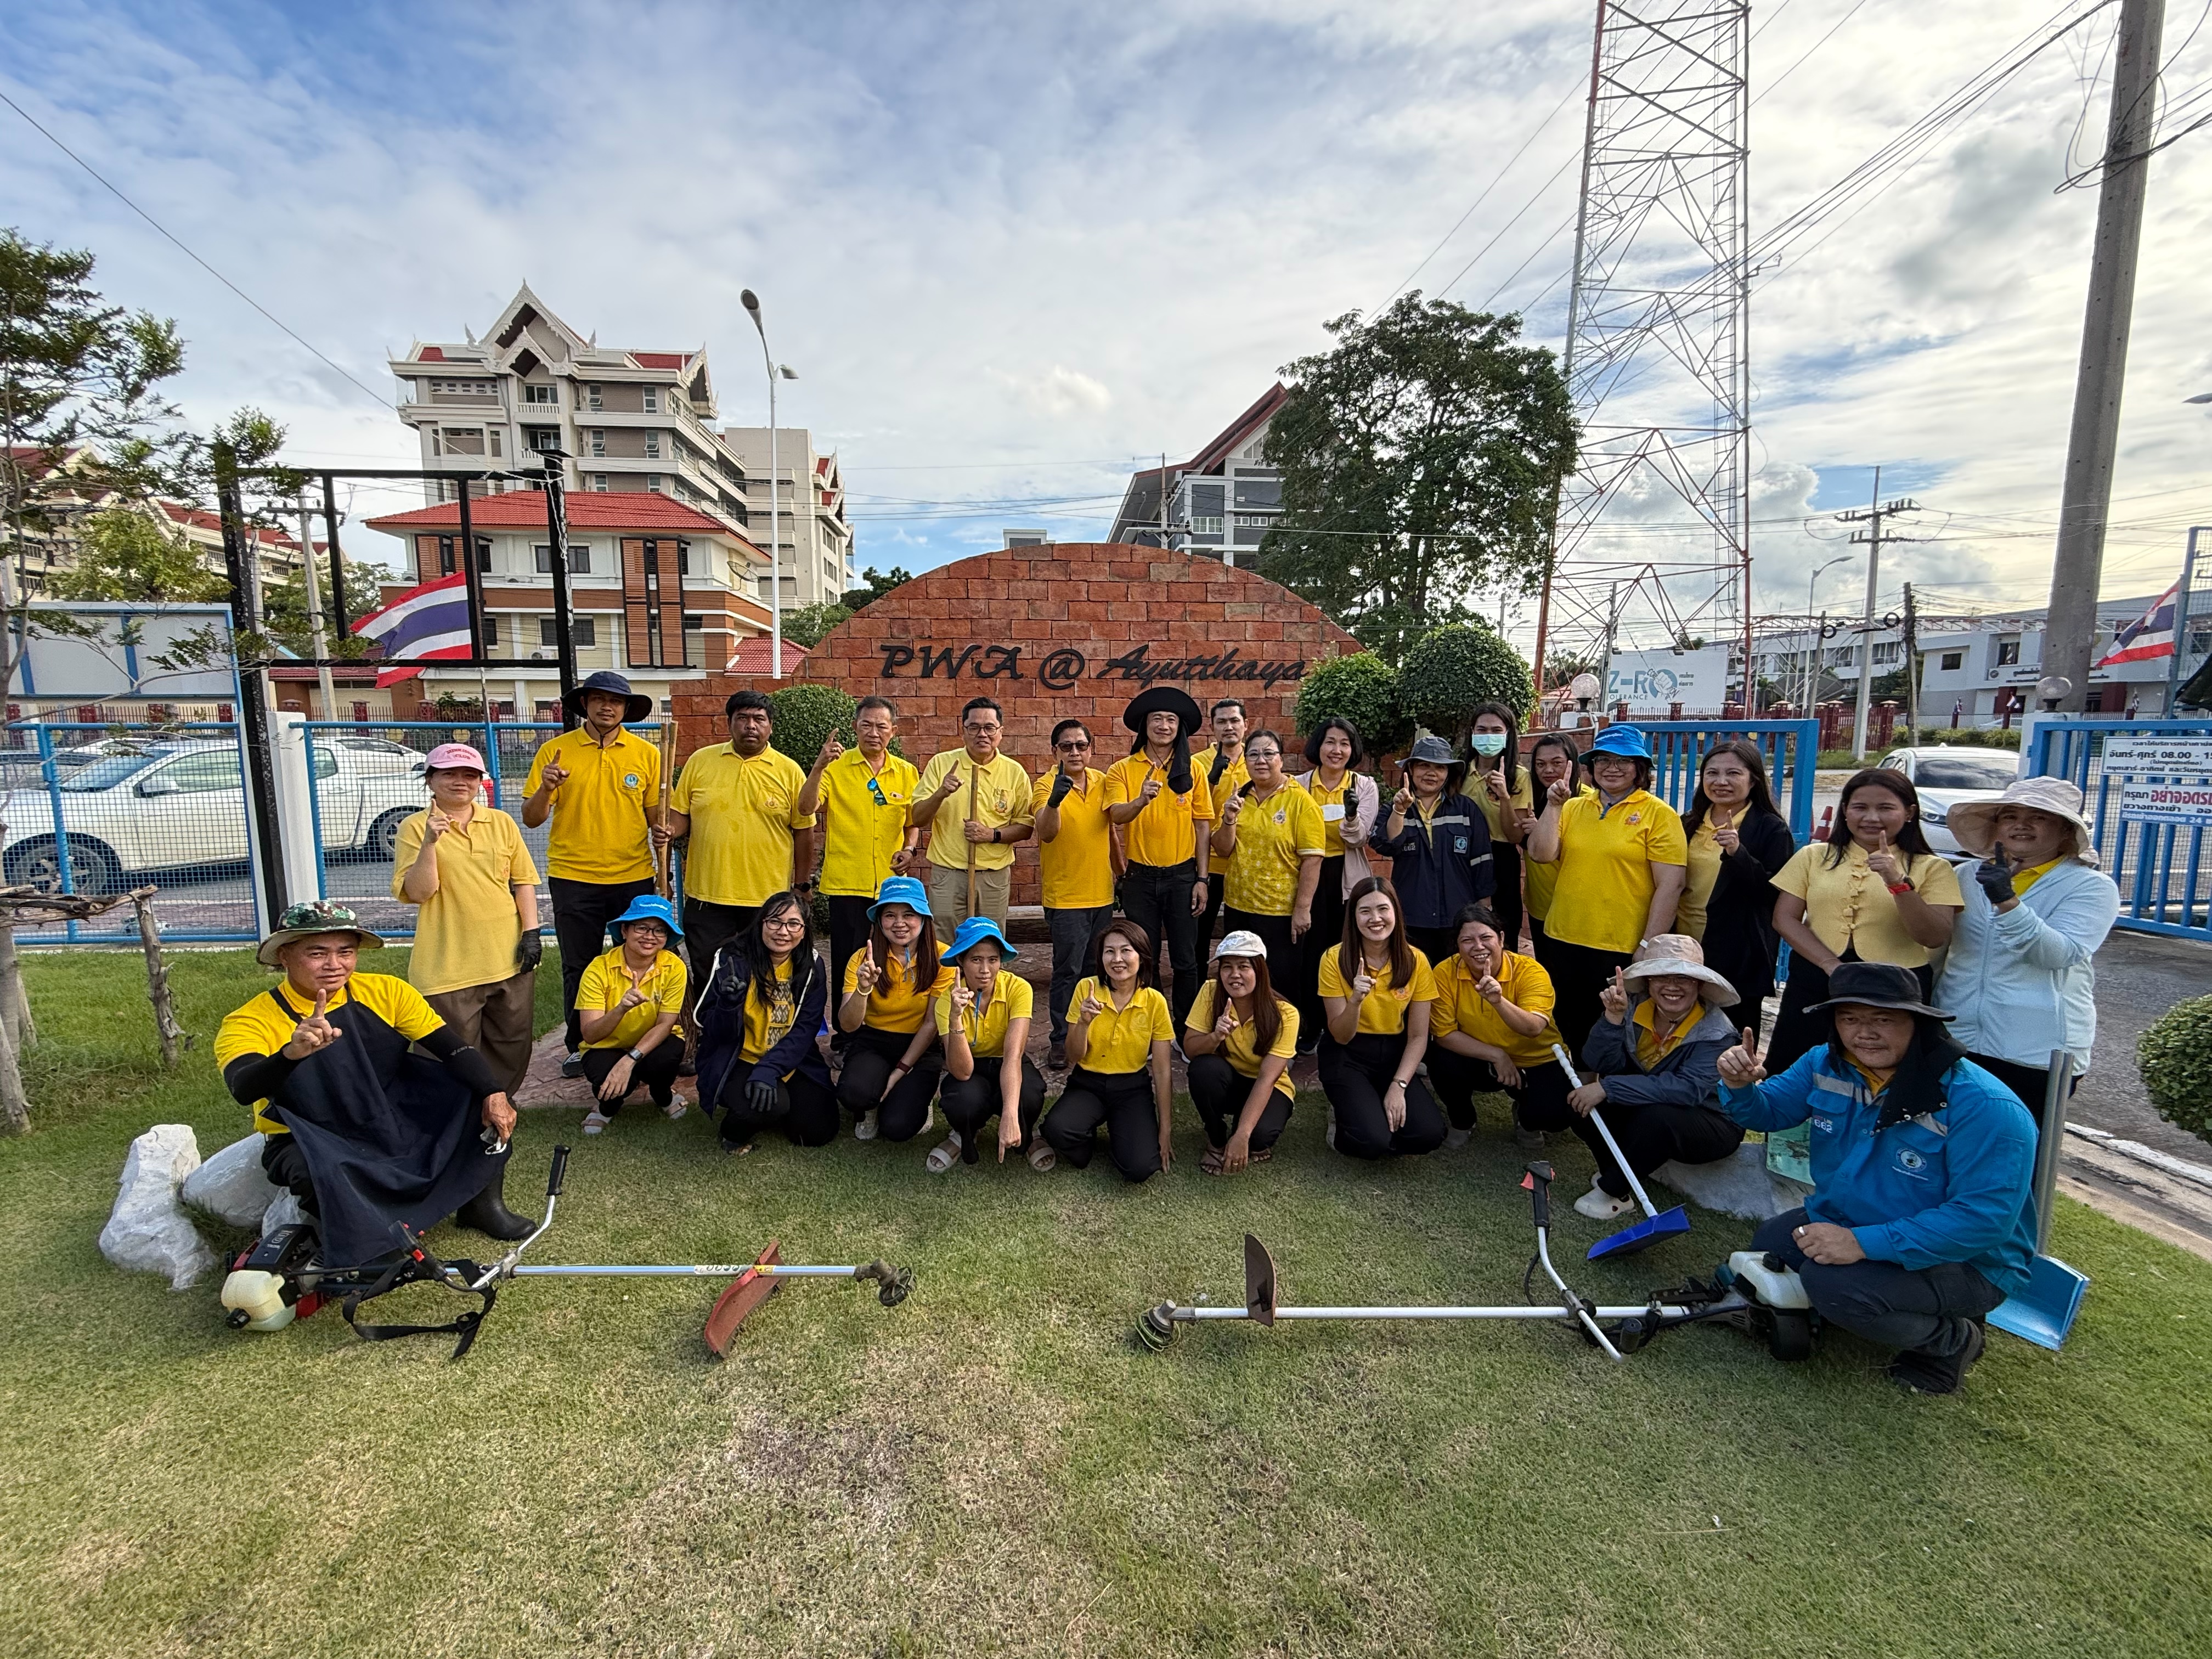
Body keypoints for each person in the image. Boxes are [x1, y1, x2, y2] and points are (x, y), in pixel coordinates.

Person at [1716, 962, 2038, 1395]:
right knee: (1770, 1245)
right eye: (1850, 1019)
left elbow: (1983, 1221)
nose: (1863, 1033)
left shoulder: (1987, 1107)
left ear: (1919, 1024)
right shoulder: (1824, 1063)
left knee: (1834, 1286)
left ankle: (1954, 1341)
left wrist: (1860, 1245)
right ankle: (1872, 1302)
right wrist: (1738, 1086)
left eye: (1882, 1019)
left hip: (1969, 1262)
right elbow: (1769, 1112)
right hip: (1850, 1219)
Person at [215, 901, 528, 1263]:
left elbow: (453, 1049)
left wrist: (493, 1092)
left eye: (345, 952)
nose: (335, 965)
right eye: (317, 953)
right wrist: (291, 1054)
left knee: (482, 1099)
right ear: (284, 956)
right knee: (316, 1171)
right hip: (313, 1133)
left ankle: (483, 1205)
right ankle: (374, 1241)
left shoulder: (387, 991)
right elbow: (243, 1087)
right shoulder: (249, 1020)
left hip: (385, 1112)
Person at [1936, 778, 2120, 1121]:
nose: (2021, 824)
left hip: (2035, 1052)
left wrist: (2007, 900)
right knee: (1949, 1150)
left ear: (2066, 831)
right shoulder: (1965, 876)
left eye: (2039, 816)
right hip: (1955, 1040)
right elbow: (1939, 950)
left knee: (2019, 1157)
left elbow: (2059, 954)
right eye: (2010, 816)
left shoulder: (2092, 887)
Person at [1767, 768, 1964, 1073]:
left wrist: (1897, 882)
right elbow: (1784, 919)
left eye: (1885, 808)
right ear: (1845, 811)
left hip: (1897, 987)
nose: (1872, 817)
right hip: (1817, 976)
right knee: (1795, 1064)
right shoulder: (1813, 856)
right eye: (1860, 807)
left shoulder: (1933, 867)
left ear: (1910, 813)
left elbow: (1934, 936)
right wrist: (1829, 964)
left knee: (1880, 1071)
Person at [524, 670, 662, 1079]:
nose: (607, 707)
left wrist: (665, 829)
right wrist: (547, 787)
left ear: (626, 709)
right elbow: (532, 820)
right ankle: (579, 1045)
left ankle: (639, 1041)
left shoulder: (646, 754)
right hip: (574, 877)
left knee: (644, 962)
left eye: (616, 701)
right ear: (584, 704)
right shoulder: (556, 752)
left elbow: (655, 817)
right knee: (579, 964)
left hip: (633, 875)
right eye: (599, 699)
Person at [1523, 725, 1688, 1056]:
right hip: (1563, 936)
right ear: (1592, 767)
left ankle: (1609, 1096)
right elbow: (1540, 855)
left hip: (1619, 944)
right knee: (1569, 1023)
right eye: (1603, 760)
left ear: (1639, 768)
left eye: (1623, 761)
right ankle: (1575, 1093)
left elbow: (1671, 885)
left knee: (1615, 1028)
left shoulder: (1659, 815)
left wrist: (1647, 944)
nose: (1612, 768)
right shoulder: (1572, 807)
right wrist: (1554, 807)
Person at [391, 742, 541, 1096]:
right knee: (449, 1050)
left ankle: (498, 1105)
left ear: (480, 782)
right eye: (450, 774)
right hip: (448, 964)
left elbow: (523, 882)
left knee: (512, 1042)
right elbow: (419, 892)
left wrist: (531, 933)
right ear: (430, 780)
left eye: (470, 775)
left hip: (506, 956)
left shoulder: (501, 823)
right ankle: (451, 1113)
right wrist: (430, 843)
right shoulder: (414, 828)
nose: (461, 782)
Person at [1570, 935, 1746, 1220]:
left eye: (1684, 978)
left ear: (1699, 985)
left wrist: (1608, 1087)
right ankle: (1621, 1173)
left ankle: (1613, 1190)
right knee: (1581, 1105)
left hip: (1711, 1120)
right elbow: (1599, 1061)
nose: (1672, 986)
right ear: (1648, 981)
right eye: (1662, 976)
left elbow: (1688, 1090)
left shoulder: (1717, 1032)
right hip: (1650, 1105)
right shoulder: (1630, 1007)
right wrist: (1612, 1019)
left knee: (1656, 1118)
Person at [657, 690, 816, 989]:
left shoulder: (789, 771)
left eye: (759, 719)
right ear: (729, 723)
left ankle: (756, 1033)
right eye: (742, 718)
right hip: (707, 895)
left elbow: (803, 832)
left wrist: (801, 885)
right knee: (709, 974)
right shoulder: (701, 762)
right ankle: (712, 1032)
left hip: (767, 899)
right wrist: (670, 831)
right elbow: (681, 816)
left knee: (762, 975)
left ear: (770, 727)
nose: (751, 726)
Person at [797, 695, 921, 1037]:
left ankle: (888, 1026)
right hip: (846, 884)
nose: (874, 732)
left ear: (893, 731)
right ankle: (847, 1035)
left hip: (891, 887)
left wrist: (910, 849)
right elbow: (806, 808)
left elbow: (913, 820)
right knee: (848, 961)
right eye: (866, 725)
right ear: (855, 728)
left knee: (894, 958)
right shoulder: (835, 768)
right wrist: (818, 765)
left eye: (882, 726)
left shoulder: (906, 772)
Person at [695, 890, 838, 1153]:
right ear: (761, 923)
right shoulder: (732, 958)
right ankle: (733, 1131)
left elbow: (805, 1029)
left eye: (793, 924)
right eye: (774, 921)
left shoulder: (811, 966)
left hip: (791, 1060)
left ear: (804, 931)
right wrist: (728, 1005)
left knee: (817, 1132)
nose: (783, 931)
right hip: (739, 1058)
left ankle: (772, 1103)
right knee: (771, 1106)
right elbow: (714, 1032)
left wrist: (769, 1070)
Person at [1105, 687, 1214, 1028]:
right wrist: (1140, 800)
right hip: (1140, 879)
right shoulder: (1122, 769)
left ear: (1179, 727)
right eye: (1157, 719)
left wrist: (1202, 879)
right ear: (1144, 726)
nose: (1164, 726)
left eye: (1171, 720)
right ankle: (1150, 1027)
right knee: (1143, 958)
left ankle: (1185, 1028)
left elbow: (1202, 827)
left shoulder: (1193, 770)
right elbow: (1116, 815)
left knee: (1186, 960)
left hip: (1183, 878)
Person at [1425, 902, 1573, 1153]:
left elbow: (1534, 1027)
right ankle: (1463, 1122)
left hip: (1537, 1059)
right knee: (1441, 1060)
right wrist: (1497, 1055)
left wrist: (1498, 1001)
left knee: (1557, 1115)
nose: (1478, 947)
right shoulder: (1444, 972)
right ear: (1457, 945)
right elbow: (1444, 1034)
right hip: (1483, 1058)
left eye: (1486, 937)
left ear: (1502, 938)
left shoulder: (1530, 971)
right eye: (1467, 940)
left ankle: (1527, 1119)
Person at [1039, 917, 1177, 1182]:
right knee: (1058, 1131)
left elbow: (1161, 1070)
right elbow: (1073, 1056)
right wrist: (1083, 1023)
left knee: (1139, 1169)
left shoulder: (1154, 1001)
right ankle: (1094, 1136)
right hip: (1088, 1083)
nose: (1118, 959)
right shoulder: (1086, 989)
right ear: (1101, 957)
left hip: (1132, 1087)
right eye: (1109, 951)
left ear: (1142, 955)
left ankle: (1124, 1131)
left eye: (1126, 950)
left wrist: (1165, 1130)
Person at [1673, 740, 1796, 1035]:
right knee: (1681, 1031)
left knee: (1732, 1037)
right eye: (1712, 773)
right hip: (1684, 944)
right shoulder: (1688, 824)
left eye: (1733, 774)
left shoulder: (1771, 829)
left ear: (1753, 780)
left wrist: (1738, 855)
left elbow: (1774, 895)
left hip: (1737, 952)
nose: (1721, 782)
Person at [1318, 877, 1446, 1159]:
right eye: (1365, 911)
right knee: (1373, 1142)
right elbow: (1340, 1034)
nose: (1375, 919)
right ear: (1353, 918)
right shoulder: (1333, 959)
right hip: (1347, 1053)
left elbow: (1418, 1036)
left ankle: (1373, 1105)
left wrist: (1399, 1086)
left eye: (1383, 909)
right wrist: (1355, 1002)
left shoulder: (1416, 960)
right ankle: (1343, 1116)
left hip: (1393, 1053)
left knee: (1429, 1135)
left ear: (1396, 913)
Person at [834, 875, 956, 1143]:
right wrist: (864, 988)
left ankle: (913, 1100)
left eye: (909, 915)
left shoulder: (944, 958)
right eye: (890, 915)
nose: (899, 924)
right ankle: (871, 1106)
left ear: (924, 918)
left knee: (898, 1128)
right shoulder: (861, 959)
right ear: (879, 921)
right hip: (874, 1040)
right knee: (854, 1094)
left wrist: (899, 1071)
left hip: (920, 1045)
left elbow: (930, 1024)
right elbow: (848, 1025)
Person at [1210, 729, 1324, 1000]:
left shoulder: (1300, 801)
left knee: (1280, 982)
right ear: (1246, 761)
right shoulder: (1239, 798)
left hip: (1281, 913)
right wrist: (1229, 819)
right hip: (1239, 909)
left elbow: (1312, 859)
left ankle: (1282, 1038)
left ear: (1281, 760)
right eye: (1253, 755)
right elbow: (1223, 850)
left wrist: (1302, 909)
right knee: (1241, 981)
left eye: (1268, 753)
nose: (1261, 760)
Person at [929, 916, 1049, 1172]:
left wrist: (1009, 1114)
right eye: (976, 960)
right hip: (971, 1065)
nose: (985, 969)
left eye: (993, 960)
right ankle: (963, 1135)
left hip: (1008, 1059)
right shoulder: (944, 1002)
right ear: (960, 961)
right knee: (961, 1100)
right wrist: (955, 1016)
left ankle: (1028, 1135)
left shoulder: (1019, 989)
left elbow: (1013, 1055)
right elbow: (961, 1071)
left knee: (1029, 1095)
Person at [1030, 718, 1116, 1070]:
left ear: (1091, 749)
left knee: (1099, 971)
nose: (1075, 752)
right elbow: (1046, 833)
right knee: (1068, 971)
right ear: (1055, 751)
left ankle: (1093, 1034)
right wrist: (1054, 802)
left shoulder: (1103, 781)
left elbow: (1113, 828)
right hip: (1066, 899)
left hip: (1103, 896)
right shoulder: (1044, 784)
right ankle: (1060, 1041)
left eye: (1082, 745)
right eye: (1067, 746)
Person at [1293, 715, 1380, 1053]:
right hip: (1309, 876)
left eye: (1344, 743)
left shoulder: (1364, 786)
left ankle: (1346, 1022)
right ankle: (1312, 1025)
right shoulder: (1298, 785)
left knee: (1346, 950)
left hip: (1348, 877)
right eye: (1330, 742)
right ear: (1318, 745)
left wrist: (1350, 815)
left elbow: (1359, 838)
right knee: (1310, 952)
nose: (1337, 750)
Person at [1183, 930, 1300, 1175]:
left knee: (1260, 1138)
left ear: (1260, 970)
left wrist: (1243, 1135)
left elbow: (1268, 1078)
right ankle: (1216, 1140)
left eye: (1243, 967)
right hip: (1229, 1080)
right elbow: (1191, 1050)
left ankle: (1244, 1132)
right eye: (1227, 967)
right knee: (1204, 1069)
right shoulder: (1210, 992)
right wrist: (1215, 1037)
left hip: (1269, 1086)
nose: (1234, 975)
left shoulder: (1286, 1014)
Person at [910, 695, 1033, 926]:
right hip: (949, 873)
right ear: (963, 730)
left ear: (1001, 731)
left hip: (993, 875)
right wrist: (940, 794)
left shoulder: (1014, 772)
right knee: (944, 945)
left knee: (988, 942)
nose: (982, 734)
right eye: (974, 727)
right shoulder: (941, 764)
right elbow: (918, 818)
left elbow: (1026, 827)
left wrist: (992, 835)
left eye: (989, 728)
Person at [1373, 733, 1495, 963]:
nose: (1432, 773)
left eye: (1440, 767)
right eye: (1424, 766)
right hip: (1412, 918)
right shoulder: (1394, 809)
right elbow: (1386, 845)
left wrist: (1484, 909)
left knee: (1458, 983)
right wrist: (1400, 811)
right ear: (1410, 771)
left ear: (1448, 773)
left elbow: (1482, 861)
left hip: (1459, 919)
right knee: (1416, 983)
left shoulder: (1466, 810)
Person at [569, 895, 687, 1131]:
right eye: (642, 927)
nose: (650, 936)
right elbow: (590, 1035)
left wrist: (630, 1059)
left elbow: (665, 1025)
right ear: (624, 930)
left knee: (670, 1055)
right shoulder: (598, 969)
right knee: (612, 1085)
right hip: (605, 1045)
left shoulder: (675, 967)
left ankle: (663, 1095)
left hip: (651, 1043)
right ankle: (606, 1109)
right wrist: (621, 1009)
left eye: (659, 930)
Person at [1466, 703, 1534, 949]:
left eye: (1496, 730)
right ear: (1472, 732)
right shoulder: (1460, 773)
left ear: (1508, 734)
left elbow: (1515, 835)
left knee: (1502, 932)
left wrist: (1505, 796)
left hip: (1501, 859)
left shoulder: (1519, 776)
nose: (1488, 736)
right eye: (1482, 730)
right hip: (1462, 858)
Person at [1521, 733, 1585, 970]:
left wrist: (1542, 831)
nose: (1548, 770)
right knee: (1548, 974)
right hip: (1540, 906)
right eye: (1540, 764)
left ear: (1572, 763)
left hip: (1574, 909)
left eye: (1556, 763)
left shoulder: (1587, 802)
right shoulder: (1530, 799)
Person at [1192, 698, 1250, 945]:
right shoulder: (1197, 761)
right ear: (1212, 727)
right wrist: (1212, 777)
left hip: (1247, 863)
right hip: (1209, 864)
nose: (1229, 727)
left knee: (1242, 935)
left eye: (1234, 721)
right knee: (1200, 935)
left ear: (1246, 725)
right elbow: (1187, 808)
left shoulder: (1258, 758)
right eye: (1222, 722)